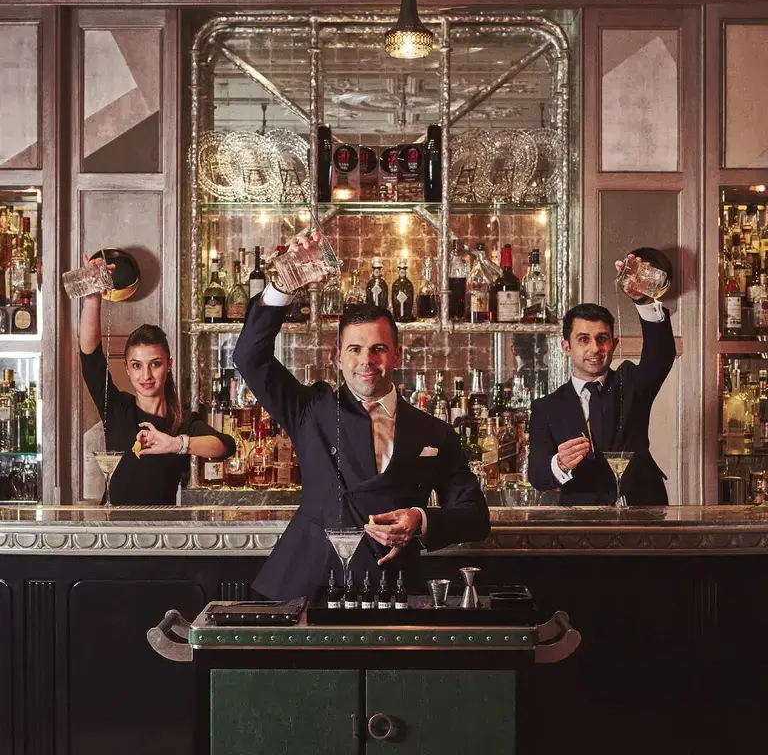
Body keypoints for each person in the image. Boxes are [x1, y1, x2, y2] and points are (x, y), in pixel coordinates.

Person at [233, 279, 491, 601]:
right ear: (338, 357)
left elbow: (475, 516)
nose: (366, 360)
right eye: (354, 349)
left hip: (390, 587)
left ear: (397, 355)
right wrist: (281, 288)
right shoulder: (310, 410)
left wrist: (419, 519)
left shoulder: (434, 432)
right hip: (310, 583)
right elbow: (250, 357)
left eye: (378, 349)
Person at [79, 257, 235, 506]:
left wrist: (176, 444)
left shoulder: (181, 422)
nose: (146, 376)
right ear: (127, 368)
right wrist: (92, 297)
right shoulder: (117, 408)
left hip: (163, 527)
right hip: (115, 527)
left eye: (155, 364)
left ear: (169, 364)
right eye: (137, 366)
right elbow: (90, 355)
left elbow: (226, 446)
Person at [528, 256, 676, 506]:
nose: (595, 348)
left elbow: (660, 355)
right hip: (583, 518)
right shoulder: (547, 407)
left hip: (643, 512)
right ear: (566, 347)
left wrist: (643, 300)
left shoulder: (631, 383)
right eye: (583, 339)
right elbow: (538, 476)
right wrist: (560, 463)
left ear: (613, 344)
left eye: (602, 338)